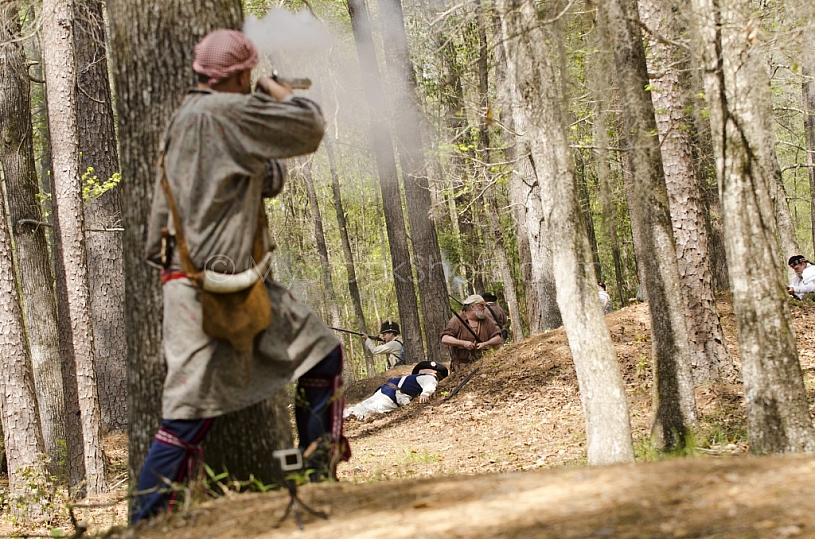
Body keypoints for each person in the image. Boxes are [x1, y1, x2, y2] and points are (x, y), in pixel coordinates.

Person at [135, 29, 349, 524]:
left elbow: (265, 181)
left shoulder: (192, 116)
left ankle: (317, 477)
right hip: (204, 287)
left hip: (223, 282)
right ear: (236, 74)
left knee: (321, 352)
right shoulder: (225, 112)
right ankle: (145, 522)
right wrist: (275, 95)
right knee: (187, 415)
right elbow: (309, 127)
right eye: (249, 73)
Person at [343, 361, 448, 420]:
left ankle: (346, 417)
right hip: (385, 391)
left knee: (369, 408)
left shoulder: (430, 377)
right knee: (363, 405)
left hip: (392, 397)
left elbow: (430, 384)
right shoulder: (416, 377)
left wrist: (425, 393)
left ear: (434, 372)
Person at [441, 294, 503, 372]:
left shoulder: (486, 320)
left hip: (484, 365)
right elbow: (445, 338)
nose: (484, 308)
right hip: (462, 367)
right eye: (481, 305)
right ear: (473, 307)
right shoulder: (457, 320)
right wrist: (463, 343)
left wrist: (486, 344)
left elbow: (498, 339)